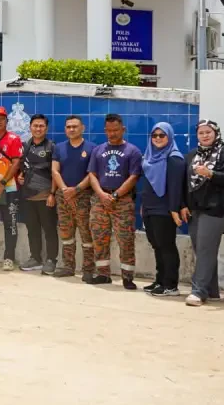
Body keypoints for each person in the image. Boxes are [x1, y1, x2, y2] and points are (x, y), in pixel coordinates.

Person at [181, 120, 224, 307]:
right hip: (195, 210)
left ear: (216, 133)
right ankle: (211, 290)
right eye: (201, 133)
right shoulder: (192, 155)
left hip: (216, 210)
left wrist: (211, 174)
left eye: (208, 132)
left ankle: (198, 292)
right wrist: (183, 205)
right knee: (203, 251)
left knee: (206, 250)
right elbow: (185, 184)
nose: (205, 136)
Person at [87, 113, 143, 289]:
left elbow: (134, 177)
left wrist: (116, 195)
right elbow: (92, 175)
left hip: (123, 201)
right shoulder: (98, 150)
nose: (112, 134)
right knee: (99, 238)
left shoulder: (133, 151)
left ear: (123, 129)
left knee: (125, 239)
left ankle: (127, 277)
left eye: (116, 130)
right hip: (100, 200)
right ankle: (103, 274)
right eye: (109, 130)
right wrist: (101, 195)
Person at [139, 122, 185, 297]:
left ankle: (171, 285)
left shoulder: (174, 158)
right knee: (157, 245)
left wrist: (174, 209)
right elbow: (148, 184)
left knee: (167, 246)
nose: (157, 138)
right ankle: (160, 280)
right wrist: (144, 206)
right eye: (155, 135)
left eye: (162, 135)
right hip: (150, 207)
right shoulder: (149, 156)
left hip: (165, 209)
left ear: (170, 137)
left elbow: (175, 187)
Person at [51, 115, 95, 280]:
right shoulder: (59, 148)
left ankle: (88, 269)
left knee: (86, 234)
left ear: (82, 128)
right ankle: (68, 266)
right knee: (66, 233)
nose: (71, 129)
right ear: (65, 129)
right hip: (63, 197)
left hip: (83, 196)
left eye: (75, 126)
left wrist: (76, 189)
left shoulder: (91, 148)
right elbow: (55, 171)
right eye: (68, 127)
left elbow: (92, 174)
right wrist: (63, 189)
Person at [17, 114, 58, 274]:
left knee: (49, 229)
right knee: (32, 229)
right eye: (35, 126)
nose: (38, 129)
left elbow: (55, 173)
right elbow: (25, 167)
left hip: (45, 196)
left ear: (46, 128)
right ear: (30, 127)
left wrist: (52, 194)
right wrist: (21, 176)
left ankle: (51, 260)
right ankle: (35, 258)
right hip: (27, 196)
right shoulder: (26, 146)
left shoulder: (52, 147)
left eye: (41, 126)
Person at [0, 106, 23, 272]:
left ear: (7, 121)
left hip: (10, 189)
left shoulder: (14, 139)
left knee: (10, 224)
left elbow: (16, 163)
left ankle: (9, 257)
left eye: (2, 118)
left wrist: (2, 184)